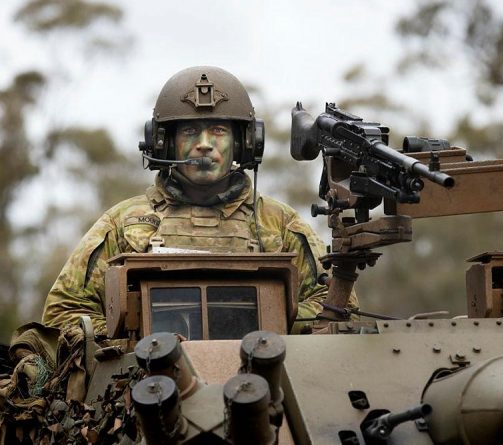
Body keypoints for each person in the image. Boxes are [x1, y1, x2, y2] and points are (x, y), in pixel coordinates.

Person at [41, 66, 358, 336]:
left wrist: (260, 322)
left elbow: (340, 309)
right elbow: (63, 314)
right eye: (190, 131)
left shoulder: (280, 224)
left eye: (218, 131)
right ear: (164, 144)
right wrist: (135, 331)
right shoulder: (123, 223)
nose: (204, 145)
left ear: (244, 143)